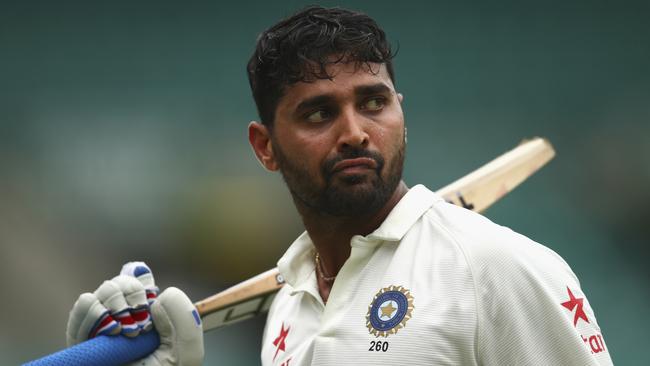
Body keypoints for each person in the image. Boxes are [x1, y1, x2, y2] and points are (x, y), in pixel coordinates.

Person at [67, 5, 613, 366]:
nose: (354, 133)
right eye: (319, 113)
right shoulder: (289, 305)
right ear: (265, 147)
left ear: (402, 113)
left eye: (373, 103)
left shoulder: (494, 266)